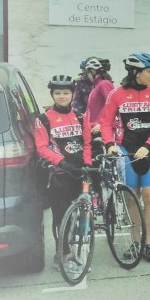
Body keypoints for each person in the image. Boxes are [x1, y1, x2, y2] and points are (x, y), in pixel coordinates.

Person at [99, 52, 150, 263]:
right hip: (126, 151)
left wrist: (148, 146)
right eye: (149, 71)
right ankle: (135, 242)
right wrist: (110, 144)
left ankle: (148, 245)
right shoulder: (117, 94)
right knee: (131, 198)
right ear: (136, 73)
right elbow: (105, 123)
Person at [33, 75, 92, 253]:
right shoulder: (43, 119)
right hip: (59, 175)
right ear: (52, 95)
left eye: (66, 93)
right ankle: (64, 254)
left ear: (72, 94)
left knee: (84, 214)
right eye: (57, 93)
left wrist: (87, 164)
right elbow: (41, 148)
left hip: (80, 173)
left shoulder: (81, 117)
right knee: (61, 216)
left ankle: (82, 250)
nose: (62, 96)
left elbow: (87, 144)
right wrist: (62, 163)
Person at [83, 58, 114, 134]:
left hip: (99, 128)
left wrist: (101, 123)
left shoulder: (104, 84)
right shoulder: (97, 85)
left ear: (93, 71)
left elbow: (112, 106)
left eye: (87, 72)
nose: (87, 75)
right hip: (92, 127)